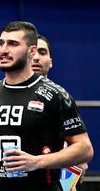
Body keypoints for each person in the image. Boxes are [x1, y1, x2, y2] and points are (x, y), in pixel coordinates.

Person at [0, 21, 93, 191]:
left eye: (13, 44)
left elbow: (85, 149)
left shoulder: (56, 95)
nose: (4, 50)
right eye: (1, 43)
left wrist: (37, 162)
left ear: (31, 51)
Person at [32, 34, 87, 191]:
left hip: (56, 180)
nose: (36, 58)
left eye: (42, 52)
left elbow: (81, 147)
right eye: (33, 52)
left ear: (51, 62)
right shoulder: (2, 95)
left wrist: (77, 162)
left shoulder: (61, 97)